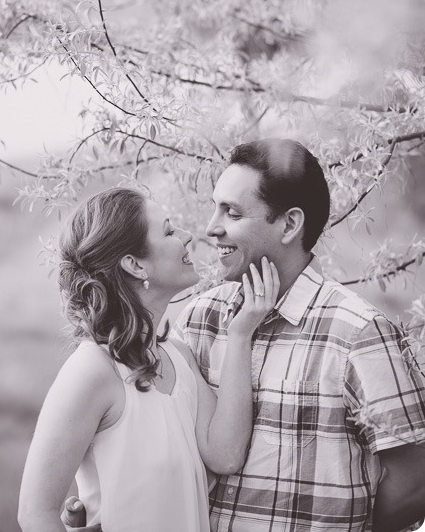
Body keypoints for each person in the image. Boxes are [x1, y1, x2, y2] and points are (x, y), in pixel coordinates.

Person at [63, 138, 425, 532]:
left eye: (231, 212)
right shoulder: (199, 320)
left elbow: (412, 483)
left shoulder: (359, 334)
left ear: (289, 224)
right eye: (215, 207)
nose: (210, 228)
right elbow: (162, 450)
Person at [18, 187, 280, 532]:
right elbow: (36, 513)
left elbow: (226, 454)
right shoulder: (92, 371)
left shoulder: (178, 356)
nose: (187, 236)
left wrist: (241, 333)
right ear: (135, 264)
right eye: (169, 231)